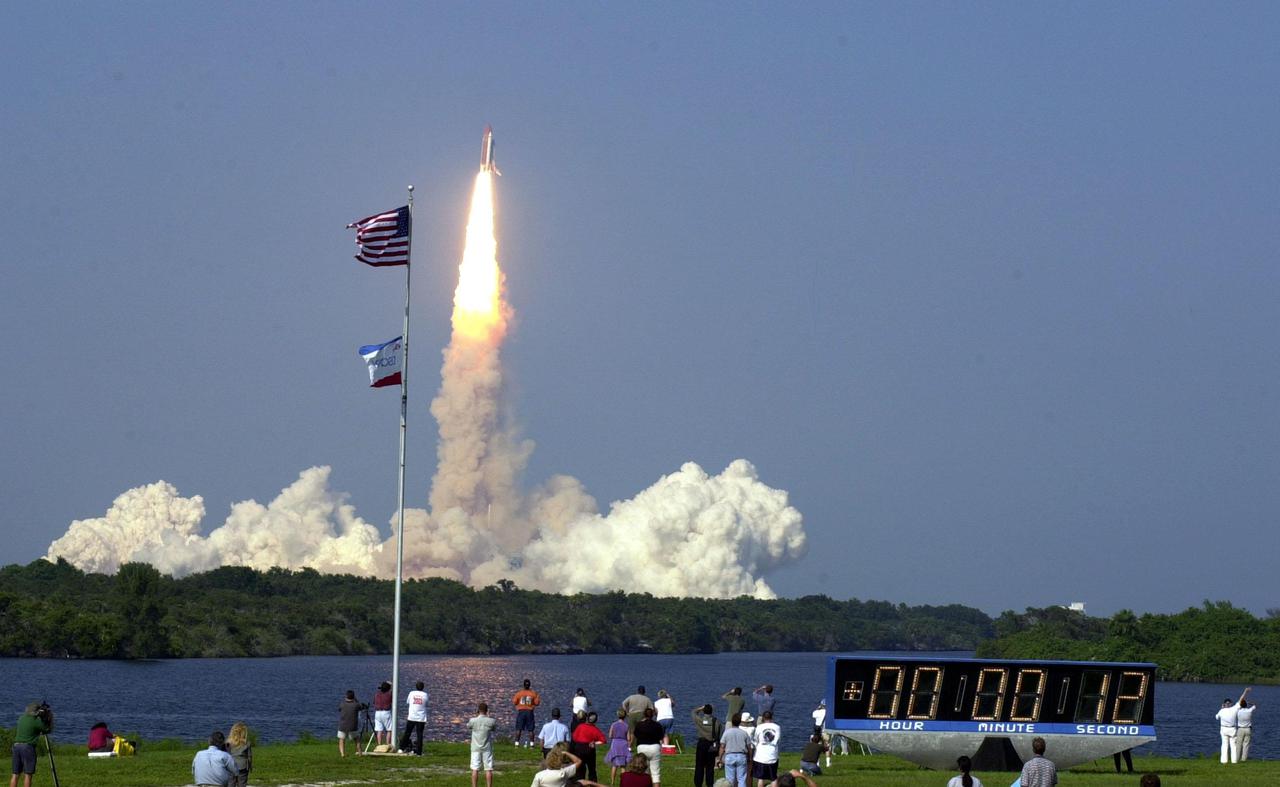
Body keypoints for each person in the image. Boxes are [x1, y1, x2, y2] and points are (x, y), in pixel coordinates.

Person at [10, 702, 51, 787]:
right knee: (28, 775)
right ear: (37, 712)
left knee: (15, 774)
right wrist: (48, 719)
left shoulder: (22, 718)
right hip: (27, 748)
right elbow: (47, 730)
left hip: (16, 746)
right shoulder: (36, 720)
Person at [691, 703, 723, 787]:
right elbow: (720, 734)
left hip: (701, 744)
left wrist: (700, 708)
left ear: (703, 711)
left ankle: (698, 783)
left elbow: (693, 712)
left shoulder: (700, 720)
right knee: (710, 767)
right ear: (712, 711)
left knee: (699, 765)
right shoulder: (717, 722)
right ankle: (709, 784)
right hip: (711, 745)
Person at [718, 713, 753, 787]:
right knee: (742, 779)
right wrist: (750, 758)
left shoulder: (727, 732)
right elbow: (749, 747)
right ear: (740, 722)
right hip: (741, 756)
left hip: (730, 756)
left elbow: (722, 747)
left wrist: (720, 758)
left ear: (732, 722)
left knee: (730, 780)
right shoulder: (744, 733)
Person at [1215, 687, 1249, 764]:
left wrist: (1221, 708)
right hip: (1232, 730)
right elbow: (1241, 699)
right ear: (1231, 703)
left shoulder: (1221, 711)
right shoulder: (1234, 708)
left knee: (1224, 745)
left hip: (1224, 729)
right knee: (1233, 746)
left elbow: (1216, 717)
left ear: (1224, 704)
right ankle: (1234, 761)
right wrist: (1245, 691)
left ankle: (1224, 761)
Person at [633, 707, 665, 787]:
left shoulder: (639, 725)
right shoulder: (657, 725)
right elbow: (661, 736)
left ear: (644, 715)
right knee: (656, 773)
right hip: (655, 747)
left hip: (642, 747)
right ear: (653, 715)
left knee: (643, 771)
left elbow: (636, 735)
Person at [571, 710, 607, 782]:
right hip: (590, 749)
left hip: (579, 749)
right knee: (592, 769)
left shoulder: (580, 726)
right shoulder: (595, 729)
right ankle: (593, 784)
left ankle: (579, 783)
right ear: (595, 720)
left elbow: (574, 738)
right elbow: (604, 740)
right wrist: (595, 743)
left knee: (580, 769)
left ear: (587, 718)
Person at [469, 702, 497, 787]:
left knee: (475, 769)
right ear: (487, 710)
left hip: (475, 748)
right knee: (488, 769)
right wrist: (488, 716)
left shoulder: (473, 720)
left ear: (478, 710)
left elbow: (469, 726)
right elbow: (494, 728)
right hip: (487, 748)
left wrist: (476, 716)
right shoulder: (491, 721)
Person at [750, 711, 780, 787]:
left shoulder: (759, 727)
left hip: (760, 757)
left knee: (760, 778)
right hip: (772, 756)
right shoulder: (777, 727)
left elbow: (756, 740)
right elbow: (778, 740)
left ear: (763, 718)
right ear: (771, 717)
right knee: (773, 778)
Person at [400, 681, 428, 756]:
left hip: (412, 716)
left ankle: (401, 748)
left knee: (407, 733)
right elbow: (426, 703)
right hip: (421, 718)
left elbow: (408, 702)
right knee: (419, 734)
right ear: (423, 687)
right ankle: (419, 752)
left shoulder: (411, 693)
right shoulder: (425, 695)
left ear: (416, 687)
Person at [606, 709, 632, 785]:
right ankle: (623, 782)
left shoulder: (613, 724)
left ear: (618, 715)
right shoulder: (626, 725)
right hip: (623, 744)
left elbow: (610, 736)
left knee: (614, 765)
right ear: (625, 716)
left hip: (615, 744)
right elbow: (629, 738)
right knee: (623, 765)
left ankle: (612, 782)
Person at [514, 679, 542, 748]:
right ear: (529, 685)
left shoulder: (519, 693)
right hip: (529, 712)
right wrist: (537, 697)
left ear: (523, 685)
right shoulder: (533, 693)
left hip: (521, 712)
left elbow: (515, 702)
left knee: (519, 728)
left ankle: (516, 744)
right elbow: (537, 703)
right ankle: (532, 744)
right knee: (530, 729)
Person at [338, 690, 365, 757]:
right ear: (353, 697)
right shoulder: (356, 705)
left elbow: (339, 709)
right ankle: (360, 753)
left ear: (346, 696)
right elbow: (361, 707)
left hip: (343, 725)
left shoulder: (342, 704)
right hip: (353, 726)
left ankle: (342, 754)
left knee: (341, 739)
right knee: (357, 739)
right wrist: (356, 700)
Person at [226, 722, 252, 787]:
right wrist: (250, 766)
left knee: (230, 783)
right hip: (243, 766)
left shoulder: (228, 743)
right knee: (242, 784)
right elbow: (249, 756)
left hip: (230, 766)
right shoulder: (247, 743)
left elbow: (225, 755)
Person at [373, 681, 393, 748]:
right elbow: (396, 692)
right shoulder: (389, 694)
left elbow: (374, 702)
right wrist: (391, 685)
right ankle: (388, 745)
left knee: (379, 730)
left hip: (377, 713)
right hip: (386, 712)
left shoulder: (376, 694)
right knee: (389, 730)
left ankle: (379, 745)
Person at [1238, 693, 1256, 761]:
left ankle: (1237, 758)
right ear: (1246, 705)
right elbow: (1255, 705)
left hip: (1240, 729)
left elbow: (1238, 707)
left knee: (1239, 744)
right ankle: (1243, 759)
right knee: (1246, 745)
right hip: (1248, 729)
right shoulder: (1249, 710)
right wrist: (1250, 703)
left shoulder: (1238, 711)